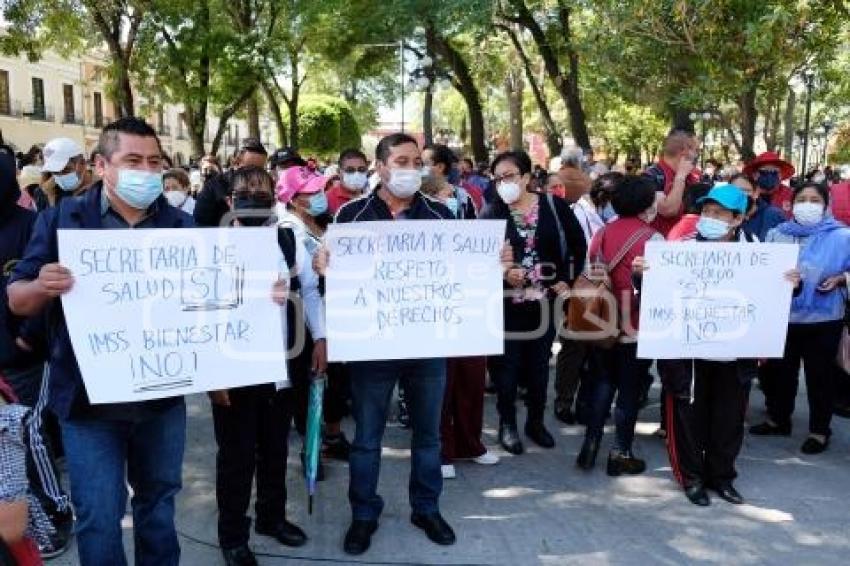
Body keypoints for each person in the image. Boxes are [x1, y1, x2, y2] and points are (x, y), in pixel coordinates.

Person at [8, 117, 193, 566]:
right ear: (102, 165)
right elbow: (17, 299)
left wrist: (261, 296)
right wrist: (41, 286)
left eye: (154, 162)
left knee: (158, 507)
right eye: (133, 160)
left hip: (161, 397)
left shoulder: (182, 226)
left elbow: (216, 297)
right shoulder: (59, 221)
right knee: (99, 515)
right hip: (88, 405)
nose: (146, 171)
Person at [314, 133, 456, 556]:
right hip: (371, 349)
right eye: (400, 160)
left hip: (427, 345)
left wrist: (495, 262)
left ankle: (426, 507)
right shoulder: (351, 217)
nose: (410, 168)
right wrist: (326, 265)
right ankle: (363, 514)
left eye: (416, 161)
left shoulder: (443, 217)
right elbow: (334, 278)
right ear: (380, 167)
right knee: (367, 439)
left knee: (428, 436)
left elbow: (461, 275)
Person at [211, 166, 317, 566]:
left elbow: (309, 291)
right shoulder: (211, 246)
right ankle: (233, 535)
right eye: (245, 192)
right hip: (234, 373)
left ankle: (272, 518)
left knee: (275, 450)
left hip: (282, 368)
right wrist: (212, 379)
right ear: (230, 201)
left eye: (262, 191)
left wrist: (319, 338)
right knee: (236, 458)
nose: (254, 197)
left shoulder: (288, 240)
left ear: (274, 198)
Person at [649, 184, 763, 506]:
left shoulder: (756, 251)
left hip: (735, 352)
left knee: (728, 419)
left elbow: (772, 297)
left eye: (718, 213)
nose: (709, 218)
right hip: (689, 353)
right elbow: (655, 290)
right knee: (688, 416)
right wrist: (645, 276)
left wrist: (790, 284)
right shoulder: (682, 248)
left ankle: (722, 477)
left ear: (738, 218)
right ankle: (692, 478)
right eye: (706, 211)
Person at [482, 150, 586, 455]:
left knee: (540, 366)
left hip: (546, 302)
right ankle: (508, 424)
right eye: (498, 178)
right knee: (507, 367)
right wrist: (504, 272)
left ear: (527, 177)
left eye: (509, 176)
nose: (504, 183)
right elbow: (477, 259)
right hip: (505, 304)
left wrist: (568, 277)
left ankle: (536, 422)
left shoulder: (554, 206)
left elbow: (578, 245)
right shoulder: (491, 213)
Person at [750, 182, 850, 454]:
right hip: (783, 316)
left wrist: (842, 278)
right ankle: (778, 420)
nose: (807, 204)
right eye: (802, 199)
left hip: (824, 318)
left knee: (820, 376)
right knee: (780, 373)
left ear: (826, 204)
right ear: (792, 205)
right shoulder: (776, 234)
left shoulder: (842, 236)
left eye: (814, 199)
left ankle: (819, 431)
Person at [576, 176, 661, 475]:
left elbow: (593, 272)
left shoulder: (601, 233)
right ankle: (620, 453)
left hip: (602, 324)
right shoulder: (653, 239)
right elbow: (657, 287)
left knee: (602, 383)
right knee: (629, 391)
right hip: (634, 326)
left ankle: (589, 445)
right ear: (648, 204)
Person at [194, 138, 268, 227]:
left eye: (260, 169)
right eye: (249, 167)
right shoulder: (213, 187)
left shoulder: (267, 188)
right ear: (235, 163)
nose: (255, 173)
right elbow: (199, 224)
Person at [643, 129, 701, 236]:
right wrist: (680, 177)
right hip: (662, 244)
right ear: (684, 151)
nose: (697, 155)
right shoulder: (652, 176)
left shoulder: (694, 176)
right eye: (696, 150)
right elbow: (668, 210)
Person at [32, 137, 89, 210]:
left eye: (66, 170)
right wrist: (50, 198)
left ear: (82, 163)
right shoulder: (51, 190)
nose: (60, 176)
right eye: (55, 171)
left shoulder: (100, 190)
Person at [422, 144, 476, 219]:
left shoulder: (463, 197)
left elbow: (471, 227)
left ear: (440, 167)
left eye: (424, 164)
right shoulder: (414, 197)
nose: (418, 168)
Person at [732, 173, 785, 241]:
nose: (739, 194)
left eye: (745, 190)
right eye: (734, 190)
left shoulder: (774, 215)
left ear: (756, 193)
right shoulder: (725, 214)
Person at [742, 151, 795, 219]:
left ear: (781, 175)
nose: (769, 176)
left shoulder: (791, 195)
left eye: (775, 172)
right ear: (754, 175)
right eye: (764, 172)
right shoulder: (746, 193)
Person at [326, 148, 369, 215]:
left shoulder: (372, 198)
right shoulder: (327, 199)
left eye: (361, 169)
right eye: (350, 170)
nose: (356, 175)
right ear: (339, 172)